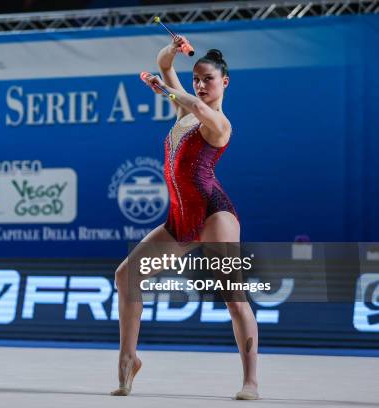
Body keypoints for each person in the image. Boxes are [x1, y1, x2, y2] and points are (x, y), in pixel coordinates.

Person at [110, 37, 259, 400]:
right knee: (126, 276)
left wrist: (167, 90)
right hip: (180, 218)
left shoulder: (219, 123)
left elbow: (188, 100)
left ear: (224, 82)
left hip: (213, 213)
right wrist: (172, 51)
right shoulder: (185, 110)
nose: (200, 85)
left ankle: (250, 381)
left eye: (207, 78)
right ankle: (129, 361)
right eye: (195, 78)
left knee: (234, 298)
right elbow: (163, 66)